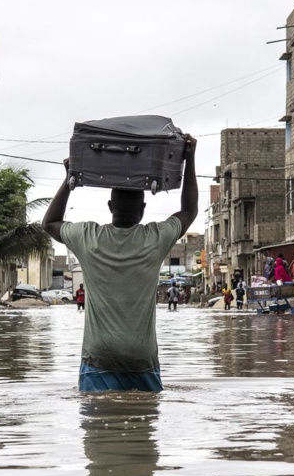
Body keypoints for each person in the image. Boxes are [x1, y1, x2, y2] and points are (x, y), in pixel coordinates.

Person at [43, 135, 198, 392]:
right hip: (142, 357)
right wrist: (190, 158)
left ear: (110, 205)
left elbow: (49, 223)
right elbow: (189, 210)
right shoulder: (156, 238)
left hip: (99, 356)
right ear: (144, 209)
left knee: (99, 427)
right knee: (143, 425)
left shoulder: (88, 237)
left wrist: (69, 179)